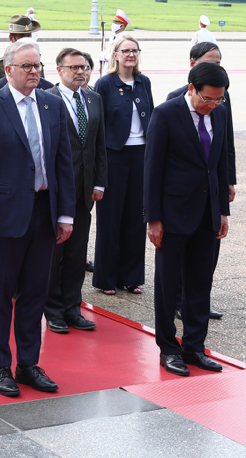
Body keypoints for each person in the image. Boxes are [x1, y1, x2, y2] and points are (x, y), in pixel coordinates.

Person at [0, 39, 75, 398]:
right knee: (0, 294)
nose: (34, 72)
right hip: (6, 217)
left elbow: (63, 163)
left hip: (45, 213)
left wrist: (65, 214)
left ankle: (29, 363)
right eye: (27, 66)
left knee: (34, 292)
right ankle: (1, 365)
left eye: (38, 66)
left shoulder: (52, 104)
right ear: (9, 69)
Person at [145, 62, 235, 377]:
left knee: (200, 284)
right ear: (191, 88)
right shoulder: (166, 114)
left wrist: (222, 210)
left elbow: (221, 164)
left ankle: (194, 346)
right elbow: (152, 169)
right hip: (172, 215)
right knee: (169, 285)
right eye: (207, 99)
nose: (212, 106)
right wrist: (153, 218)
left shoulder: (221, 114)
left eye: (218, 100)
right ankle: (169, 348)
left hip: (207, 213)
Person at [166, 41, 234, 321]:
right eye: (209, 61)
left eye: (218, 62)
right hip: (182, 196)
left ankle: (199, 299)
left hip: (211, 190)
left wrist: (229, 180)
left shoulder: (220, 99)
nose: (214, 66)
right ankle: (180, 300)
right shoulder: (174, 101)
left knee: (209, 248)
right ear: (193, 63)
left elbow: (225, 144)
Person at [45, 48, 107, 334]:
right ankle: (53, 309)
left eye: (84, 67)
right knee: (55, 253)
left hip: (84, 190)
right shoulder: (46, 100)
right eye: (74, 68)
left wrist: (99, 182)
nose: (80, 72)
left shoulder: (93, 98)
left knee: (77, 252)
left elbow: (98, 146)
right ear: (59, 70)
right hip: (56, 191)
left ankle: (72, 307)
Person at [92, 34, 153, 296]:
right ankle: (106, 278)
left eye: (134, 51)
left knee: (135, 219)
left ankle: (131, 276)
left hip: (140, 155)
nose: (130, 55)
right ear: (115, 55)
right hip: (114, 157)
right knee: (110, 219)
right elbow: (98, 125)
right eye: (125, 50)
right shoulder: (105, 84)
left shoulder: (143, 82)